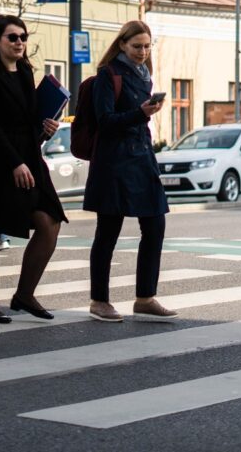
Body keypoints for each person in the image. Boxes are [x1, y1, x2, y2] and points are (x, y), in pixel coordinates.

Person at [0, 15, 67, 323]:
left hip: (28, 158)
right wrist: (14, 162)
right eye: (12, 37)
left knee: (50, 221)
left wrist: (46, 128)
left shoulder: (25, 71)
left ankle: (24, 294)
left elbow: (29, 120)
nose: (19, 42)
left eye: (23, 37)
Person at [83, 20, 174, 323]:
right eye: (137, 46)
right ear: (122, 45)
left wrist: (143, 115)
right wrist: (140, 113)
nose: (142, 52)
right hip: (114, 163)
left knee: (155, 225)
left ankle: (145, 297)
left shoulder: (144, 74)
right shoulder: (108, 75)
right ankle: (99, 300)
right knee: (107, 231)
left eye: (147, 46)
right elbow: (105, 120)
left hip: (141, 160)